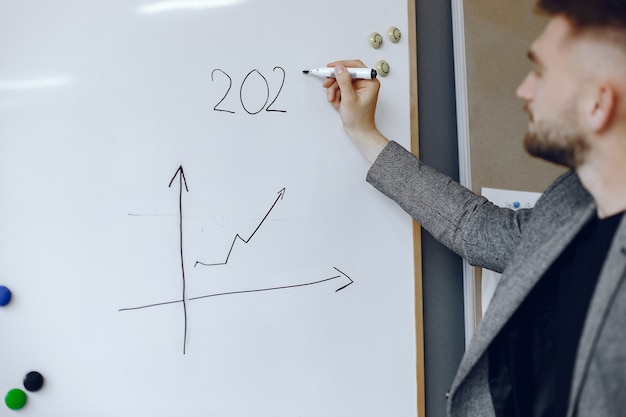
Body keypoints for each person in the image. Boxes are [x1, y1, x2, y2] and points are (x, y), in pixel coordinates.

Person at [320, 0, 626, 416]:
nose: (524, 90)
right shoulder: (574, 201)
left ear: (598, 103)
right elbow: (476, 229)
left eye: (541, 72)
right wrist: (365, 135)